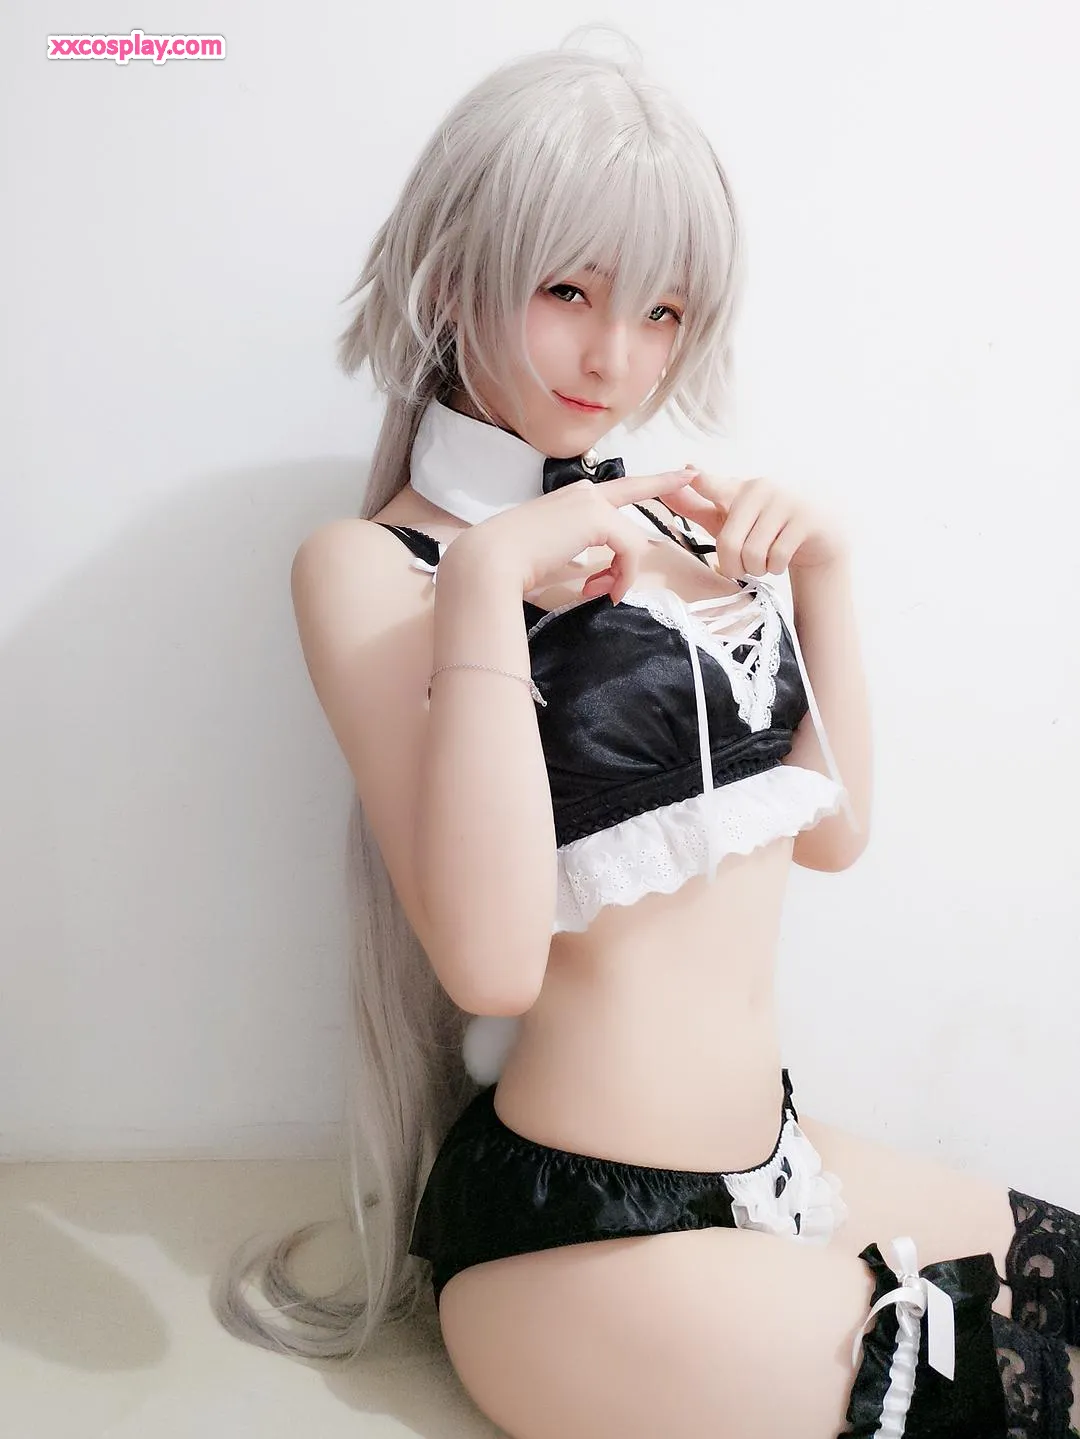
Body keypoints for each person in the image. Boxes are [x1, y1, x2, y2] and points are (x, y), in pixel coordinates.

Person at [210, 29, 1080, 1438]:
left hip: (779, 1163)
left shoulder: (673, 520)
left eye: (665, 311)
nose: (617, 356)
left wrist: (826, 576)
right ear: (451, 275)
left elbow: (834, 836)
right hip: (576, 1246)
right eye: (568, 289)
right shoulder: (373, 569)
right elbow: (490, 958)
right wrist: (488, 582)